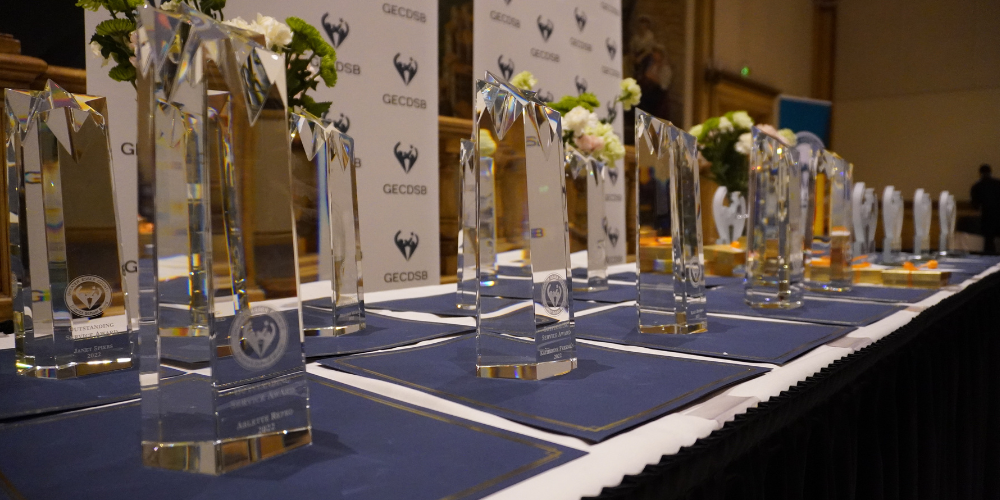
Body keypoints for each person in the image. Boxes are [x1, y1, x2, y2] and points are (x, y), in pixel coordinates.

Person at [971, 164, 1000, 254]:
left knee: (988, 241)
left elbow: (975, 205)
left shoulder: (977, 186)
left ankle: (990, 258)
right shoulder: (998, 183)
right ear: (990, 172)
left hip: (987, 216)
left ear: (980, 173)